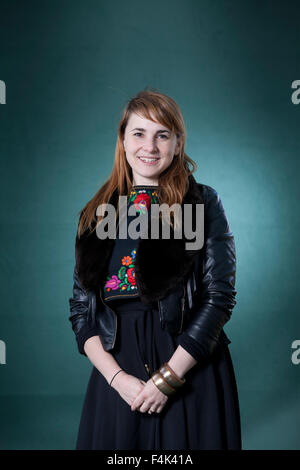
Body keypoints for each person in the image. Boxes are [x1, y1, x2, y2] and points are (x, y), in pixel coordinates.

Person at [68, 88, 242, 450]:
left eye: (162, 134)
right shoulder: (96, 214)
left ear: (177, 143)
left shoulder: (203, 203)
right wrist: (118, 380)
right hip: (118, 373)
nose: (150, 146)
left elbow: (219, 298)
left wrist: (168, 379)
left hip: (189, 364)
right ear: (122, 140)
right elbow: (81, 312)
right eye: (139, 133)